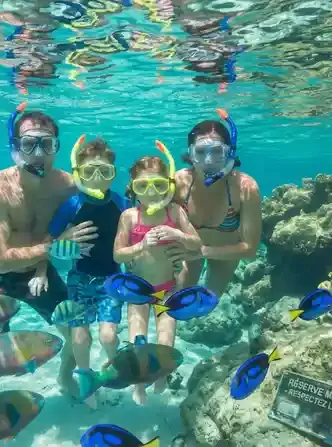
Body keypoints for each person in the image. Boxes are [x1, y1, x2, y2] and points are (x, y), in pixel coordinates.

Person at [0, 103, 99, 426]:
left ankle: (65, 379)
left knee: (79, 333)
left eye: (47, 143)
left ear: (57, 147)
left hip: (39, 267)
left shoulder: (68, 186)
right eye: (29, 144)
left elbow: (109, 207)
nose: (38, 153)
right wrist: (54, 247)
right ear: (15, 148)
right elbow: (0, 256)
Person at [40, 136, 130, 408]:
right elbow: (50, 240)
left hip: (112, 280)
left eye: (105, 171)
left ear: (113, 173)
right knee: (80, 336)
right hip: (79, 280)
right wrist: (56, 247)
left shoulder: (121, 203)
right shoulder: (72, 204)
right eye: (90, 171)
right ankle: (86, 383)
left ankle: (111, 375)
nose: (98, 177)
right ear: (79, 173)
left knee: (109, 337)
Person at [113, 144, 201, 405]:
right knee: (137, 338)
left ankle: (161, 375)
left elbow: (196, 244)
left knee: (166, 338)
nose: (151, 194)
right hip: (138, 290)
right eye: (143, 187)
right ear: (132, 188)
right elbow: (118, 254)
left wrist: (178, 234)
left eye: (159, 186)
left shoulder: (175, 212)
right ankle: (139, 382)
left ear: (168, 187)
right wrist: (141, 245)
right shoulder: (129, 216)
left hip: (167, 289)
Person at [167, 109, 263, 298]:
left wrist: (202, 252)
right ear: (190, 154)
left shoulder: (245, 188)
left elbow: (250, 249)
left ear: (229, 152)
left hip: (226, 253)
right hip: (188, 251)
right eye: (201, 152)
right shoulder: (178, 182)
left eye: (217, 151)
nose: (209, 160)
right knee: (178, 301)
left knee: (209, 301)